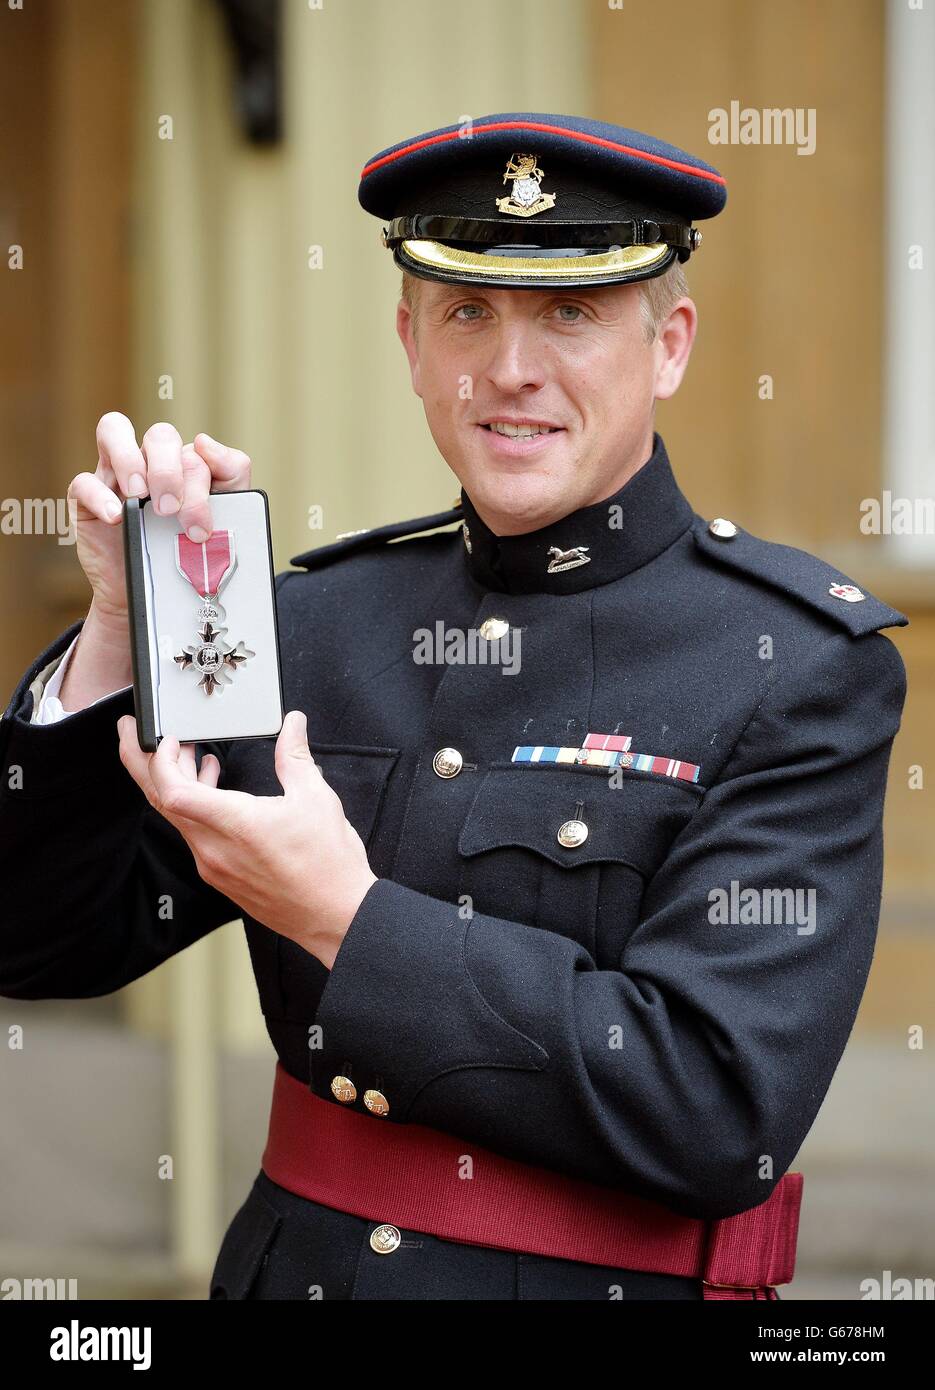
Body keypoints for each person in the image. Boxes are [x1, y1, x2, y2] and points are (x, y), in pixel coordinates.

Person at [0, 113, 908, 1301]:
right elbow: (39, 937)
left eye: (571, 314)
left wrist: (345, 918)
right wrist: (119, 639)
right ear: (409, 341)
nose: (511, 370)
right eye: (466, 312)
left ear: (669, 344)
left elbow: (713, 1105)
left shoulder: (790, 661)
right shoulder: (316, 622)